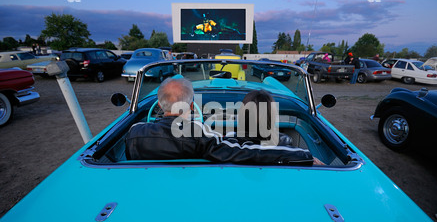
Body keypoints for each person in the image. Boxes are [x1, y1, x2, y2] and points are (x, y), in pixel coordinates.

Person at [125, 77, 316, 165]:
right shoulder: (199, 134)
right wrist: (304, 156)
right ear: (192, 107)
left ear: (159, 104)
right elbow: (246, 152)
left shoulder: (134, 133)